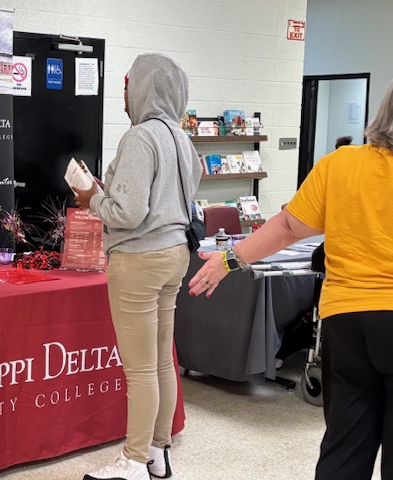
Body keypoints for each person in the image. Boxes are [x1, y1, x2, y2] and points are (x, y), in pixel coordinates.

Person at [188, 81, 393, 480]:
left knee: (345, 446)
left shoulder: (341, 164)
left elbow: (285, 227)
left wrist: (227, 260)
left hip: (346, 321)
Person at [73, 53, 201, 480]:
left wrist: (92, 197)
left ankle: (131, 459)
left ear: (143, 87)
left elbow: (127, 213)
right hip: (174, 255)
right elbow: (160, 199)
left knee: (141, 368)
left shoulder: (140, 137)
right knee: (163, 359)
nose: (124, 97)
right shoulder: (181, 139)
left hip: (139, 259)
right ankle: (158, 452)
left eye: (128, 86)